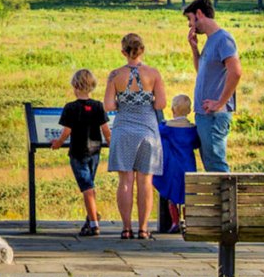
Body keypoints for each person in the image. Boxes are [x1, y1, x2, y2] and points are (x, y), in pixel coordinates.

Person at [104, 33, 166, 240]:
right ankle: (144, 228)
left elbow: (109, 106)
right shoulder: (153, 74)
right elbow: (160, 104)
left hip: (123, 130)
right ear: (142, 50)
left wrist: (125, 101)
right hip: (147, 129)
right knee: (145, 181)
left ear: (123, 52)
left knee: (125, 181)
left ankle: (126, 227)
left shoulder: (115, 75)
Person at [183, 0, 242, 172]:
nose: (189, 25)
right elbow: (201, 70)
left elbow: (236, 71)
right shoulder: (211, 40)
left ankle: (228, 200)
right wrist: (194, 49)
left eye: (190, 18)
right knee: (210, 164)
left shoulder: (223, 39)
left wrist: (220, 103)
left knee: (216, 165)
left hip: (214, 115)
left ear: (199, 14)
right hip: (206, 114)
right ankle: (220, 200)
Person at [50, 69, 111, 237]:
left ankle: (93, 224)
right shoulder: (98, 106)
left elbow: (66, 131)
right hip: (95, 151)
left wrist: (58, 143)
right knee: (90, 184)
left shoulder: (71, 107)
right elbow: (106, 130)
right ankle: (92, 215)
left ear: (75, 86)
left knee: (87, 187)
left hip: (78, 152)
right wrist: (112, 143)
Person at [152, 94, 201, 233]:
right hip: (188, 165)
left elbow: (156, 132)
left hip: (173, 167)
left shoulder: (167, 128)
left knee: (172, 196)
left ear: (173, 110)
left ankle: (175, 222)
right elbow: (196, 143)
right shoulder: (192, 129)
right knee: (188, 195)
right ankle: (187, 221)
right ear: (190, 110)